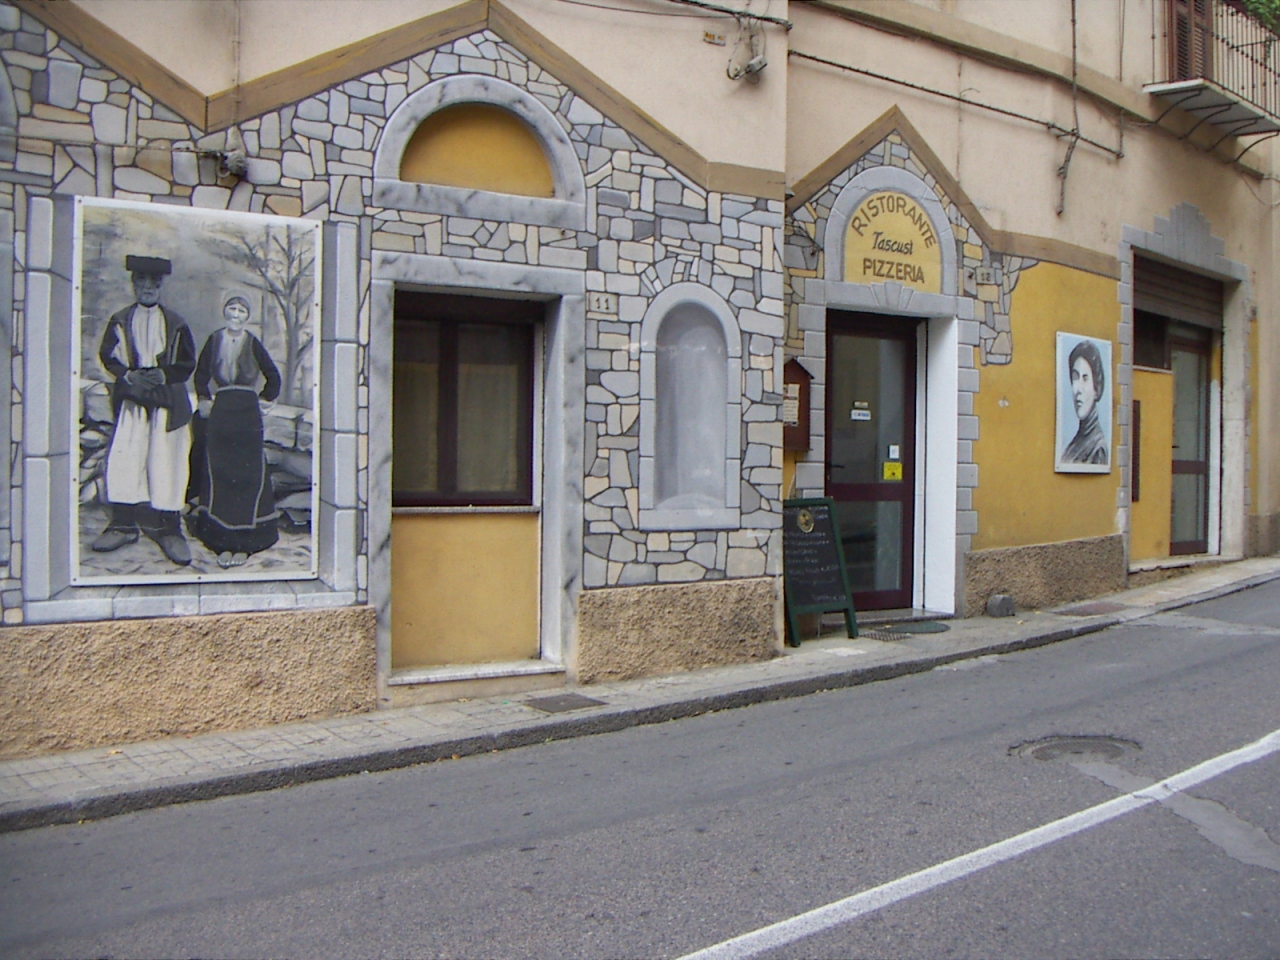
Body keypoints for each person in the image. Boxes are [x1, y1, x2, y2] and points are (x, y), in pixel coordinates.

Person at [92, 255, 196, 565]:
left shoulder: (175, 323)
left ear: (161, 286)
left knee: (166, 461)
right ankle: (123, 525)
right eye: (141, 282)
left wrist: (164, 374)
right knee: (126, 457)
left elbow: (186, 363)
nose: (148, 288)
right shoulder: (121, 320)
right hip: (134, 400)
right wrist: (127, 374)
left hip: (167, 402)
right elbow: (108, 356)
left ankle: (169, 528)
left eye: (154, 283)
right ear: (133, 284)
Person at [188, 295, 282, 568]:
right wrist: (204, 399)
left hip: (247, 414)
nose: (236, 315)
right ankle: (222, 542)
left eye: (241, 311)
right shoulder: (215, 340)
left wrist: (264, 400)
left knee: (247, 475)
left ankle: (245, 544)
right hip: (222, 412)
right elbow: (201, 375)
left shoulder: (252, 342)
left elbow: (273, 377)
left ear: (247, 317)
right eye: (232, 309)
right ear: (225, 312)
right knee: (221, 473)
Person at [1061, 338, 1109, 465]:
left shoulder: (1098, 449)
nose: (1078, 389)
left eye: (1085, 378)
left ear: (1096, 388)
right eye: (1075, 378)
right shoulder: (1075, 443)